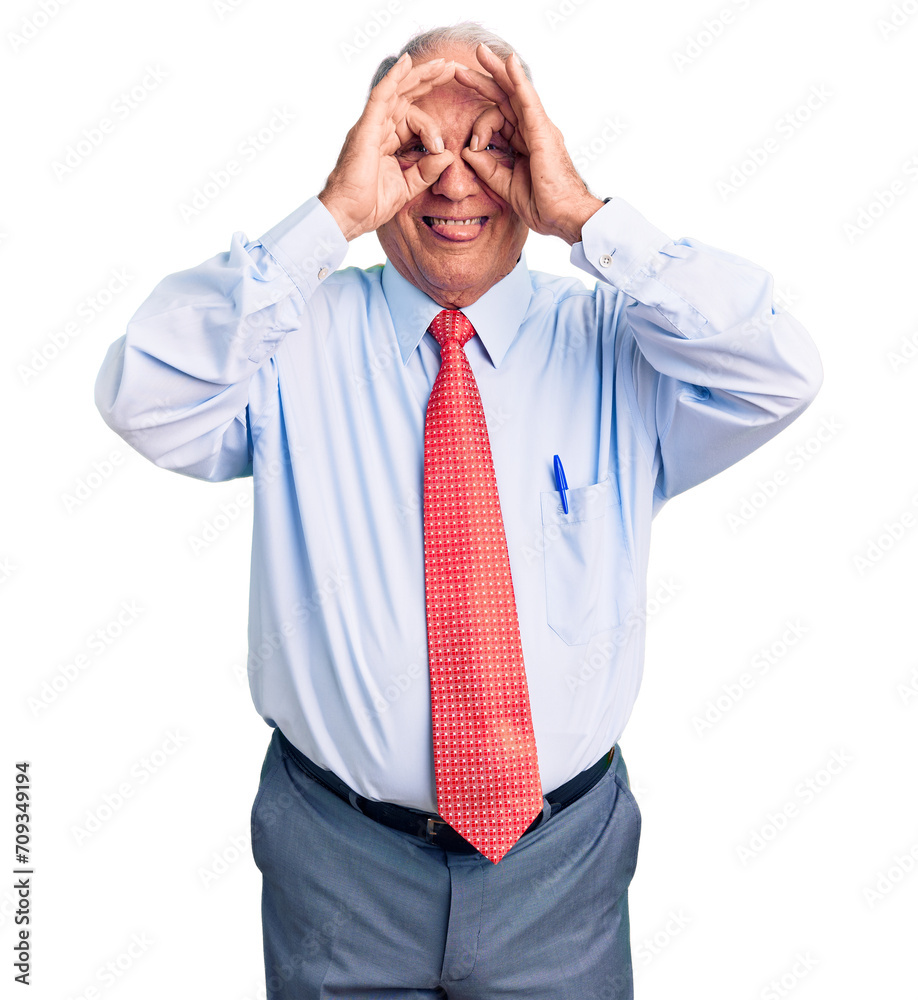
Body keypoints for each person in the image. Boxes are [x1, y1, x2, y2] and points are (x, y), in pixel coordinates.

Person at [94, 23, 822, 1000]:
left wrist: (588, 220)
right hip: (338, 870)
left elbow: (781, 367)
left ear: (536, 152)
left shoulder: (616, 342)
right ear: (369, 157)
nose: (452, 181)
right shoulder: (290, 339)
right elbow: (139, 393)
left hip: (559, 869)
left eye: (490, 142)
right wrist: (328, 219)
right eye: (414, 147)